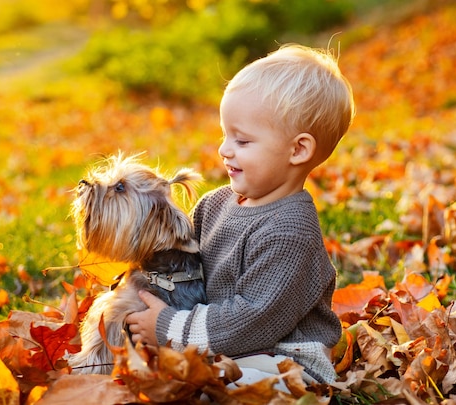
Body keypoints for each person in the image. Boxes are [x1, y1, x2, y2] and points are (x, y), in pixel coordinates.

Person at [125, 43, 355, 385]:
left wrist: (167, 326)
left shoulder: (290, 233)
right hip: (221, 346)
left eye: (242, 141)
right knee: (163, 374)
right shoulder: (215, 204)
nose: (224, 149)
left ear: (298, 150)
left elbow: (253, 321)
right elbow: (185, 269)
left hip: (283, 359)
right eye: (224, 135)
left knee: (217, 385)